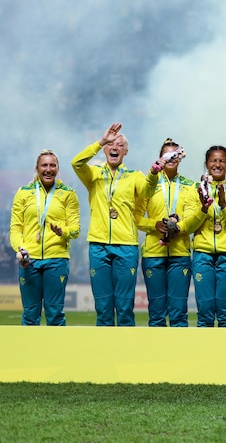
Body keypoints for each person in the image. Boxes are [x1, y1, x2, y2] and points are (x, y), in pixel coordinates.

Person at [72, 123, 159, 326]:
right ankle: (104, 354)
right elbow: (76, 163)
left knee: (124, 306)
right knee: (103, 307)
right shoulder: (93, 174)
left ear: (126, 151)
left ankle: (127, 353)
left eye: (119, 145)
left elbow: (147, 192)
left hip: (126, 246)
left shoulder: (135, 176)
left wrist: (153, 174)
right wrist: (101, 140)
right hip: (98, 245)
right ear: (104, 149)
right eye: (110, 144)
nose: (114, 147)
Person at [9, 149, 80, 325]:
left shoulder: (68, 193)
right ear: (37, 168)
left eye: (52, 165)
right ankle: (29, 352)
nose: (48, 169)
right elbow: (16, 227)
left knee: (55, 313)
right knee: (30, 314)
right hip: (29, 259)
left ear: (58, 168)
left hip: (57, 259)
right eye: (44, 165)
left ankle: (57, 353)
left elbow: (76, 229)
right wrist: (20, 248)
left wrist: (62, 232)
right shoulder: (23, 192)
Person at [181, 145, 226, 327]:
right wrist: (203, 208)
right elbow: (188, 227)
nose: (217, 164)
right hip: (202, 255)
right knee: (205, 311)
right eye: (213, 160)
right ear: (206, 164)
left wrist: (225, 205)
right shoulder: (194, 191)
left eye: (222, 161)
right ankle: (203, 355)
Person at [137, 138, 195, 327]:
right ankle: (157, 355)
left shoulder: (190, 186)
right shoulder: (149, 184)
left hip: (180, 254)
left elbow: (191, 218)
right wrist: (154, 225)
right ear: (160, 158)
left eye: (175, 154)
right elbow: (136, 218)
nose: (171, 158)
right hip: (153, 253)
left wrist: (180, 227)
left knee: (179, 312)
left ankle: (181, 355)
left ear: (180, 158)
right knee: (156, 312)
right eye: (167, 154)